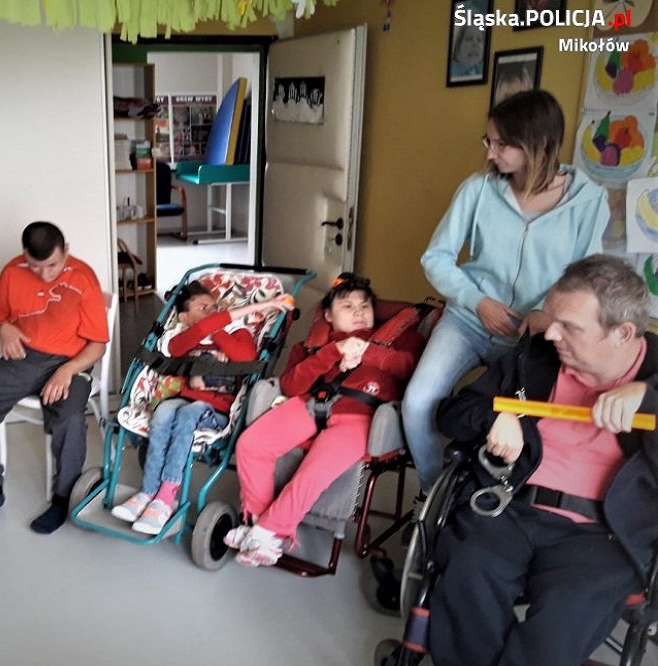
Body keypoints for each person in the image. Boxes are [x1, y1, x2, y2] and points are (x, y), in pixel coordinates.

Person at [424, 254, 658, 666]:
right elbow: (452, 413)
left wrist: (650, 400)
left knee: (563, 620)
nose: (550, 333)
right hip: (509, 506)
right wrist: (497, 415)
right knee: (468, 573)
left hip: (605, 532)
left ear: (622, 333)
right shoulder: (535, 358)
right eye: (551, 319)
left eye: (569, 326)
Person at [402, 90, 608, 505]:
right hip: (467, 320)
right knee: (418, 402)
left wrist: (545, 311)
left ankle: (493, 502)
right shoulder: (477, 190)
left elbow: (587, 278)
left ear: (538, 144)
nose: (490, 153)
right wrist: (477, 300)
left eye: (501, 144)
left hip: (533, 337)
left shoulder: (589, 202)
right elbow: (435, 257)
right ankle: (433, 496)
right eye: (488, 141)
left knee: (519, 426)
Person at [223, 273, 423, 567]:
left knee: (312, 471)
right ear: (328, 315)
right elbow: (291, 386)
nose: (358, 312)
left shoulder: (401, 340)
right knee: (251, 445)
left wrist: (368, 352)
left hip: (361, 416)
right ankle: (257, 522)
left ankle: (267, 531)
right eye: (347, 306)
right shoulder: (311, 345)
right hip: (311, 405)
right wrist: (333, 351)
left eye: (365, 306)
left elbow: (409, 368)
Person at [0, 221, 109, 534]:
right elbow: (0, 319)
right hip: (23, 359)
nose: (45, 275)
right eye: (35, 266)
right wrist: (5, 329)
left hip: (71, 361)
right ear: (24, 254)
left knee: (70, 420)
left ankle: (63, 497)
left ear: (66, 250)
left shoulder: (83, 278)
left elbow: (98, 345)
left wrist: (67, 370)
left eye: (53, 265)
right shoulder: (12, 272)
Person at [110, 281, 293, 535]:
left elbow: (246, 359)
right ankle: (148, 491)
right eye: (203, 308)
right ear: (184, 318)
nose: (212, 311)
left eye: (215, 307)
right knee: (162, 412)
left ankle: (166, 497)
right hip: (186, 398)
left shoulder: (237, 333)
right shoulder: (181, 338)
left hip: (218, 410)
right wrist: (211, 329)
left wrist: (221, 329)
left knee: (188, 413)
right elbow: (186, 341)